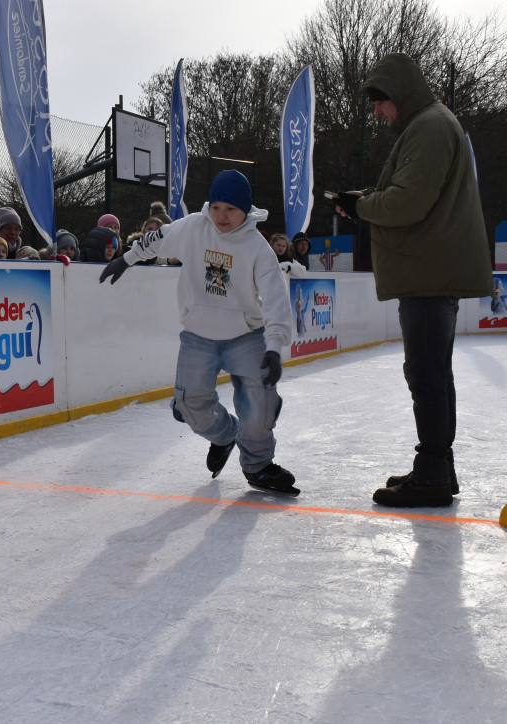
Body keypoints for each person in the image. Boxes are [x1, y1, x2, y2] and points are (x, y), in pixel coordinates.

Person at [333, 52, 493, 508]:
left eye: (381, 103)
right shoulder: (432, 123)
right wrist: (365, 199)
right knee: (434, 375)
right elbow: (410, 194)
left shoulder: (428, 126)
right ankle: (439, 466)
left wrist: (362, 206)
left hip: (428, 271)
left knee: (425, 375)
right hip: (432, 267)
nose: (378, 113)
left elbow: (406, 204)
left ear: (399, 95)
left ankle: (432, 477)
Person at [100, 169, 298, 495]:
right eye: (217, 207)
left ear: (245, 209)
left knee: (259, 402)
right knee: (190, 406)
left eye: (231, 209)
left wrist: (274, 347)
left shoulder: (257, 248)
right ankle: (225, 435)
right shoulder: (193, 226)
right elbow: (157, 238)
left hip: (246, 335)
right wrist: (128, 258)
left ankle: (259, 466)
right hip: (198, 335)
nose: (221, 216)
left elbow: (277, 301)